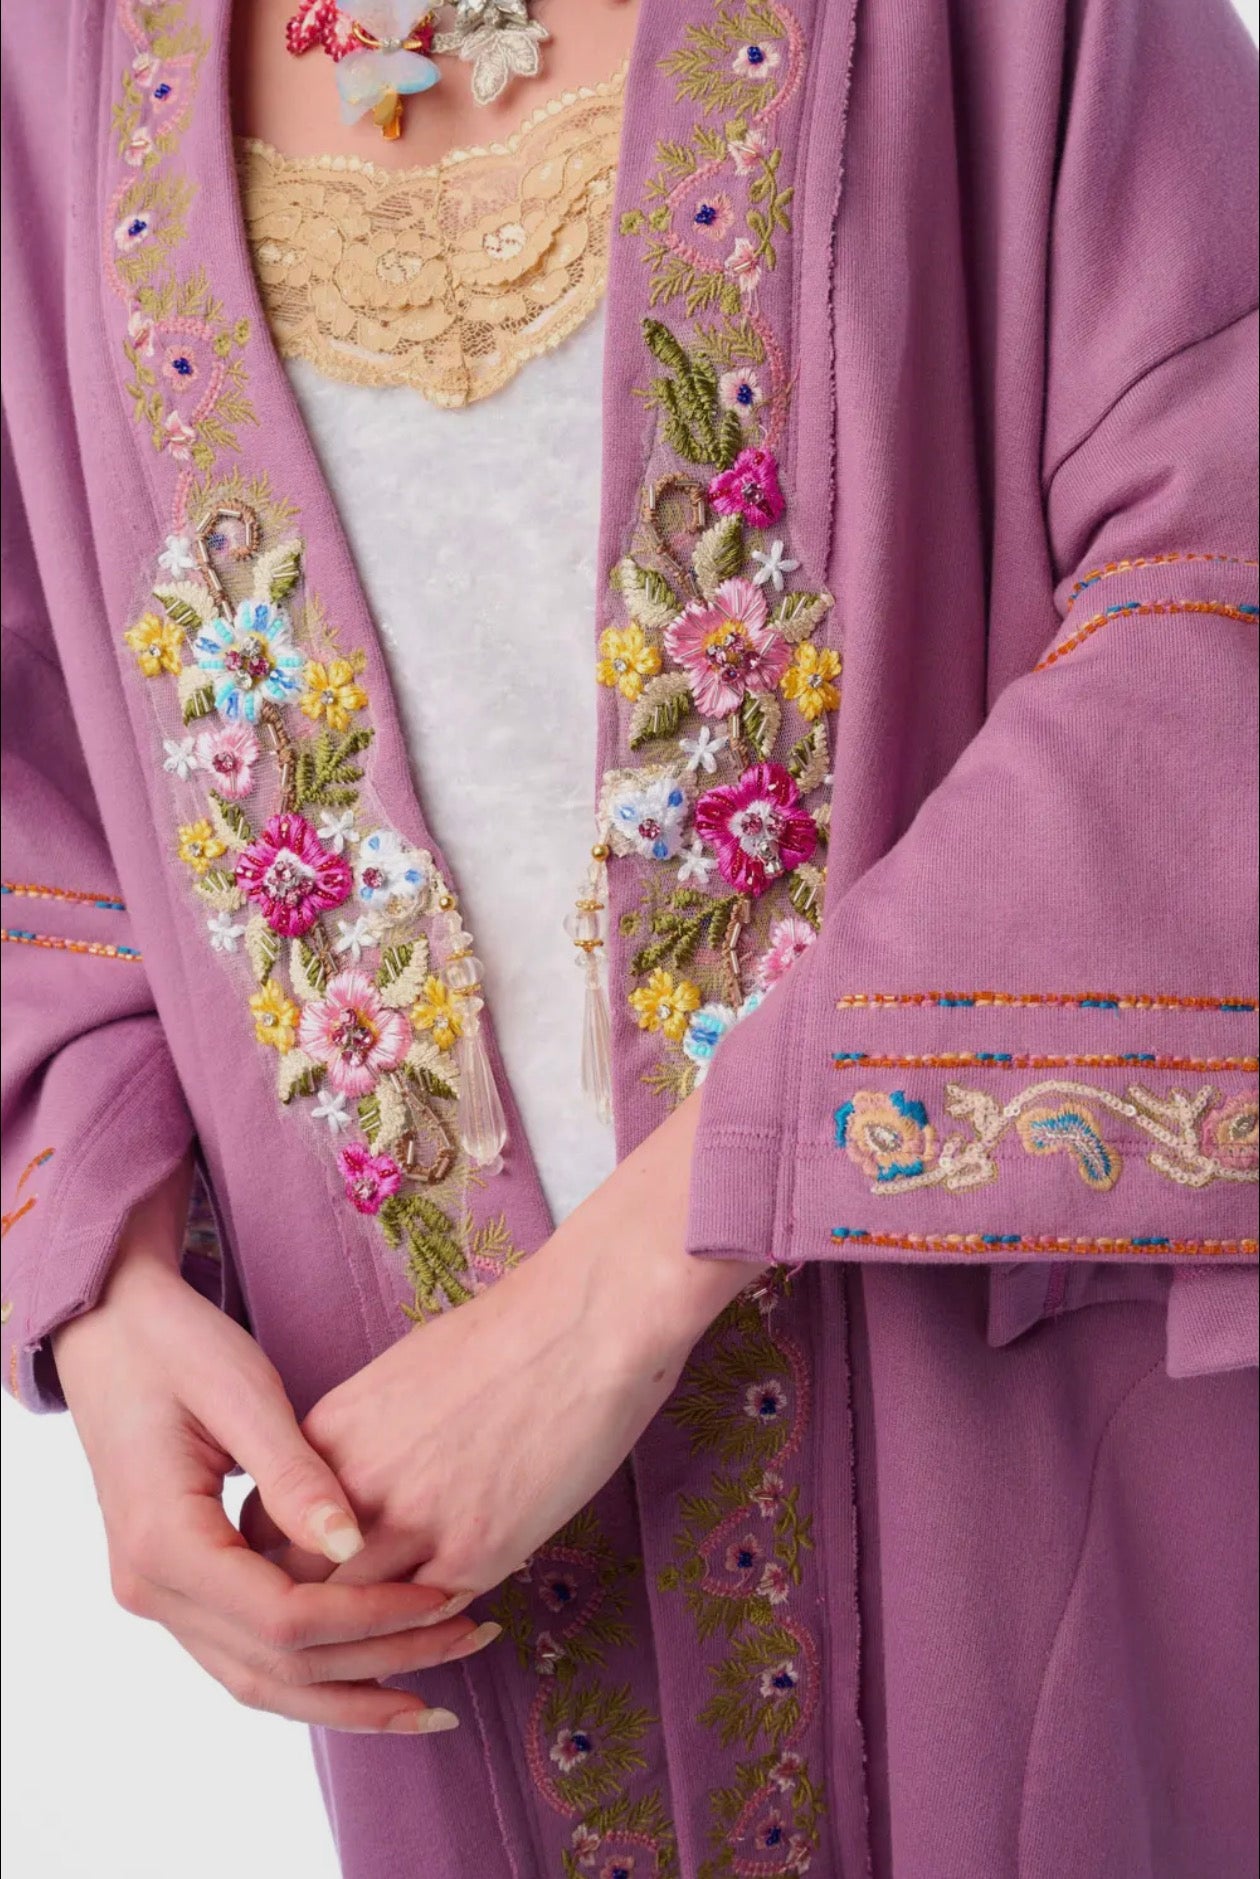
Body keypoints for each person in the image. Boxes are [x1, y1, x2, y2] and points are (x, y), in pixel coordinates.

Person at [2, 0, 1257, 1872]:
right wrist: (105, 1296)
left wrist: (619, 1291)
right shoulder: (46, 63)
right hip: (418, 1556)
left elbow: (1215, 594)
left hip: (998, 1452)